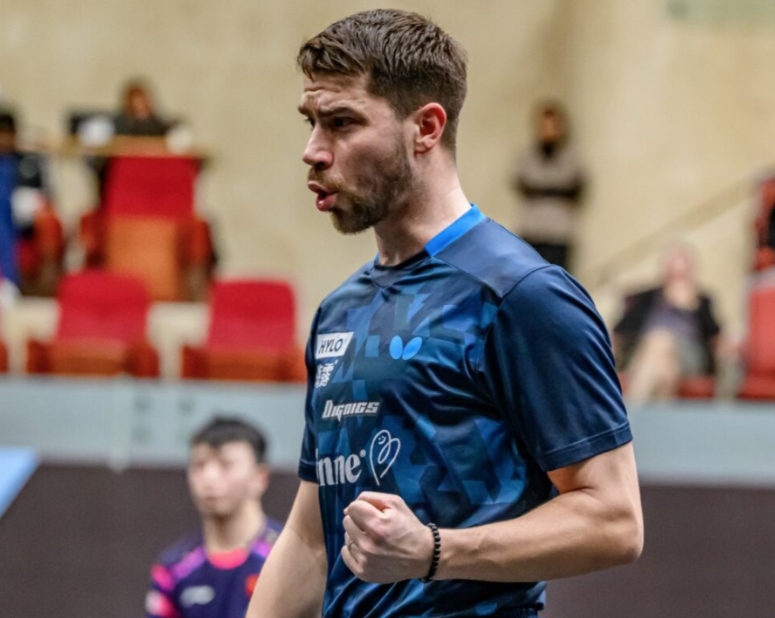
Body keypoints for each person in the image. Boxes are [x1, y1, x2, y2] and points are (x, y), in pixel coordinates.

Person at [247, 10, 642, 618]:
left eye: (342, 123)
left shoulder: (522, 295)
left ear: (426, 128)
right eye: (311, 122)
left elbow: (614, 520)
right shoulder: (339, 313)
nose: (313, 151)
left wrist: (434, 551)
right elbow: (309, 539)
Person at [146, 418, 281, 618]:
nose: (209, 477)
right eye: (199, 465)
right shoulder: (174, 567)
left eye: (226, 464)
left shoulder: (285, 557)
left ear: (260, 477)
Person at [614, 245, 721, 403]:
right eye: (674, 275)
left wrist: (693, 306)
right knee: (666, 370)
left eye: (682, 276)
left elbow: (714, 335)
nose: (677, 280)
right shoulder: (647, 297)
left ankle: (630, 409)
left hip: (689, 354)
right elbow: (622, 329)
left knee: (660, 340)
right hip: (646, 352)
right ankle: (653, 415)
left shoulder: (702, 300)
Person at [512, 101, 585, 271]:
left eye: (553, 126)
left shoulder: (571, 158)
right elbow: (523, 186)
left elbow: (574, 188)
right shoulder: (527, 156)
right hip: (531, 231)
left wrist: (542, 189)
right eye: (545, 126)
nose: (548, 131)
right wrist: (555, 189)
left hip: (559, 234)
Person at [0, 110, 60, 296]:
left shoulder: (28, 159)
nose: (4, 140)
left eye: (7, 134)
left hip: (23, 214)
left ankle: (11, 281)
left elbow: (46, 194)